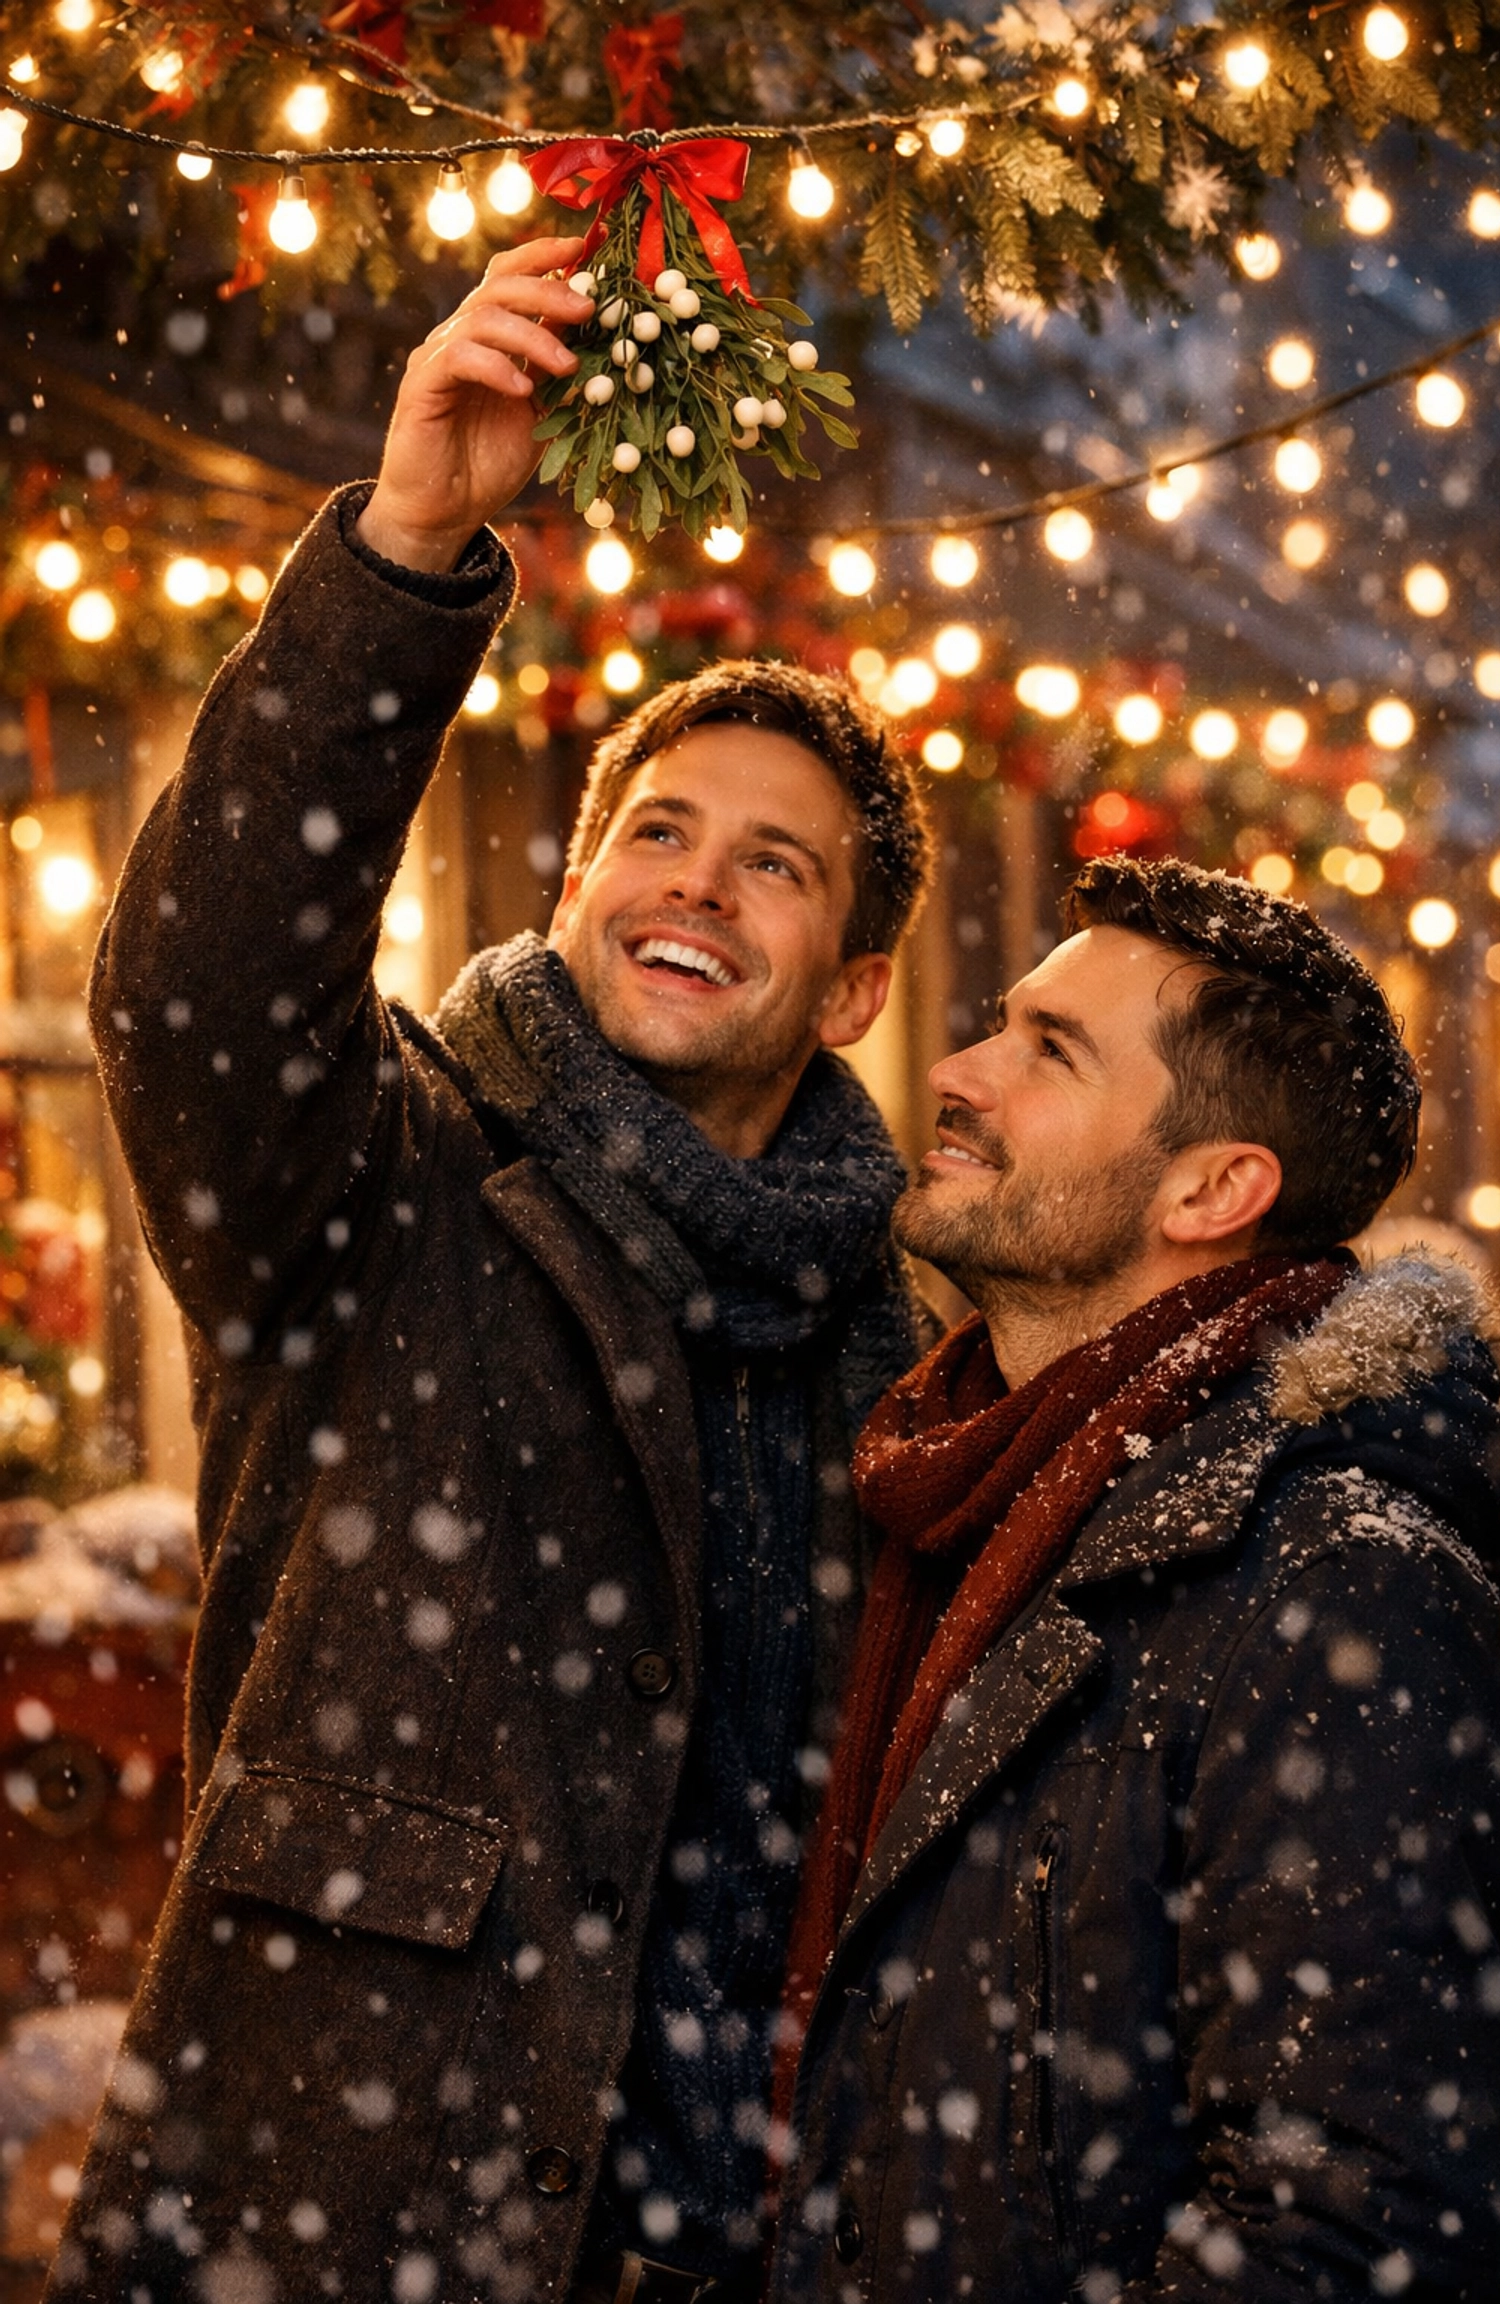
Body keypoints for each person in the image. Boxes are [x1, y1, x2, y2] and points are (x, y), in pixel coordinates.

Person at [47, 238, 933, 2304]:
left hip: (734, 2238)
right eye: (661, 831)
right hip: (341, 2210)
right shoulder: (394, 1180)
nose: (697, 880)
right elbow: (205, 991)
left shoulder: (896, 1340)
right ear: (582, 875)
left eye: (774, 866)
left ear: (858, 984)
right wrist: (413, 543)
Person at [770, 856, 1500, 2303]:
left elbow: (1370, 2234)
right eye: (1002, 1023)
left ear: (1213, 1188)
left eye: (1047, 1051)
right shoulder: (956, 1502)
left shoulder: (1340, 1591)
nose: (956, 1070)